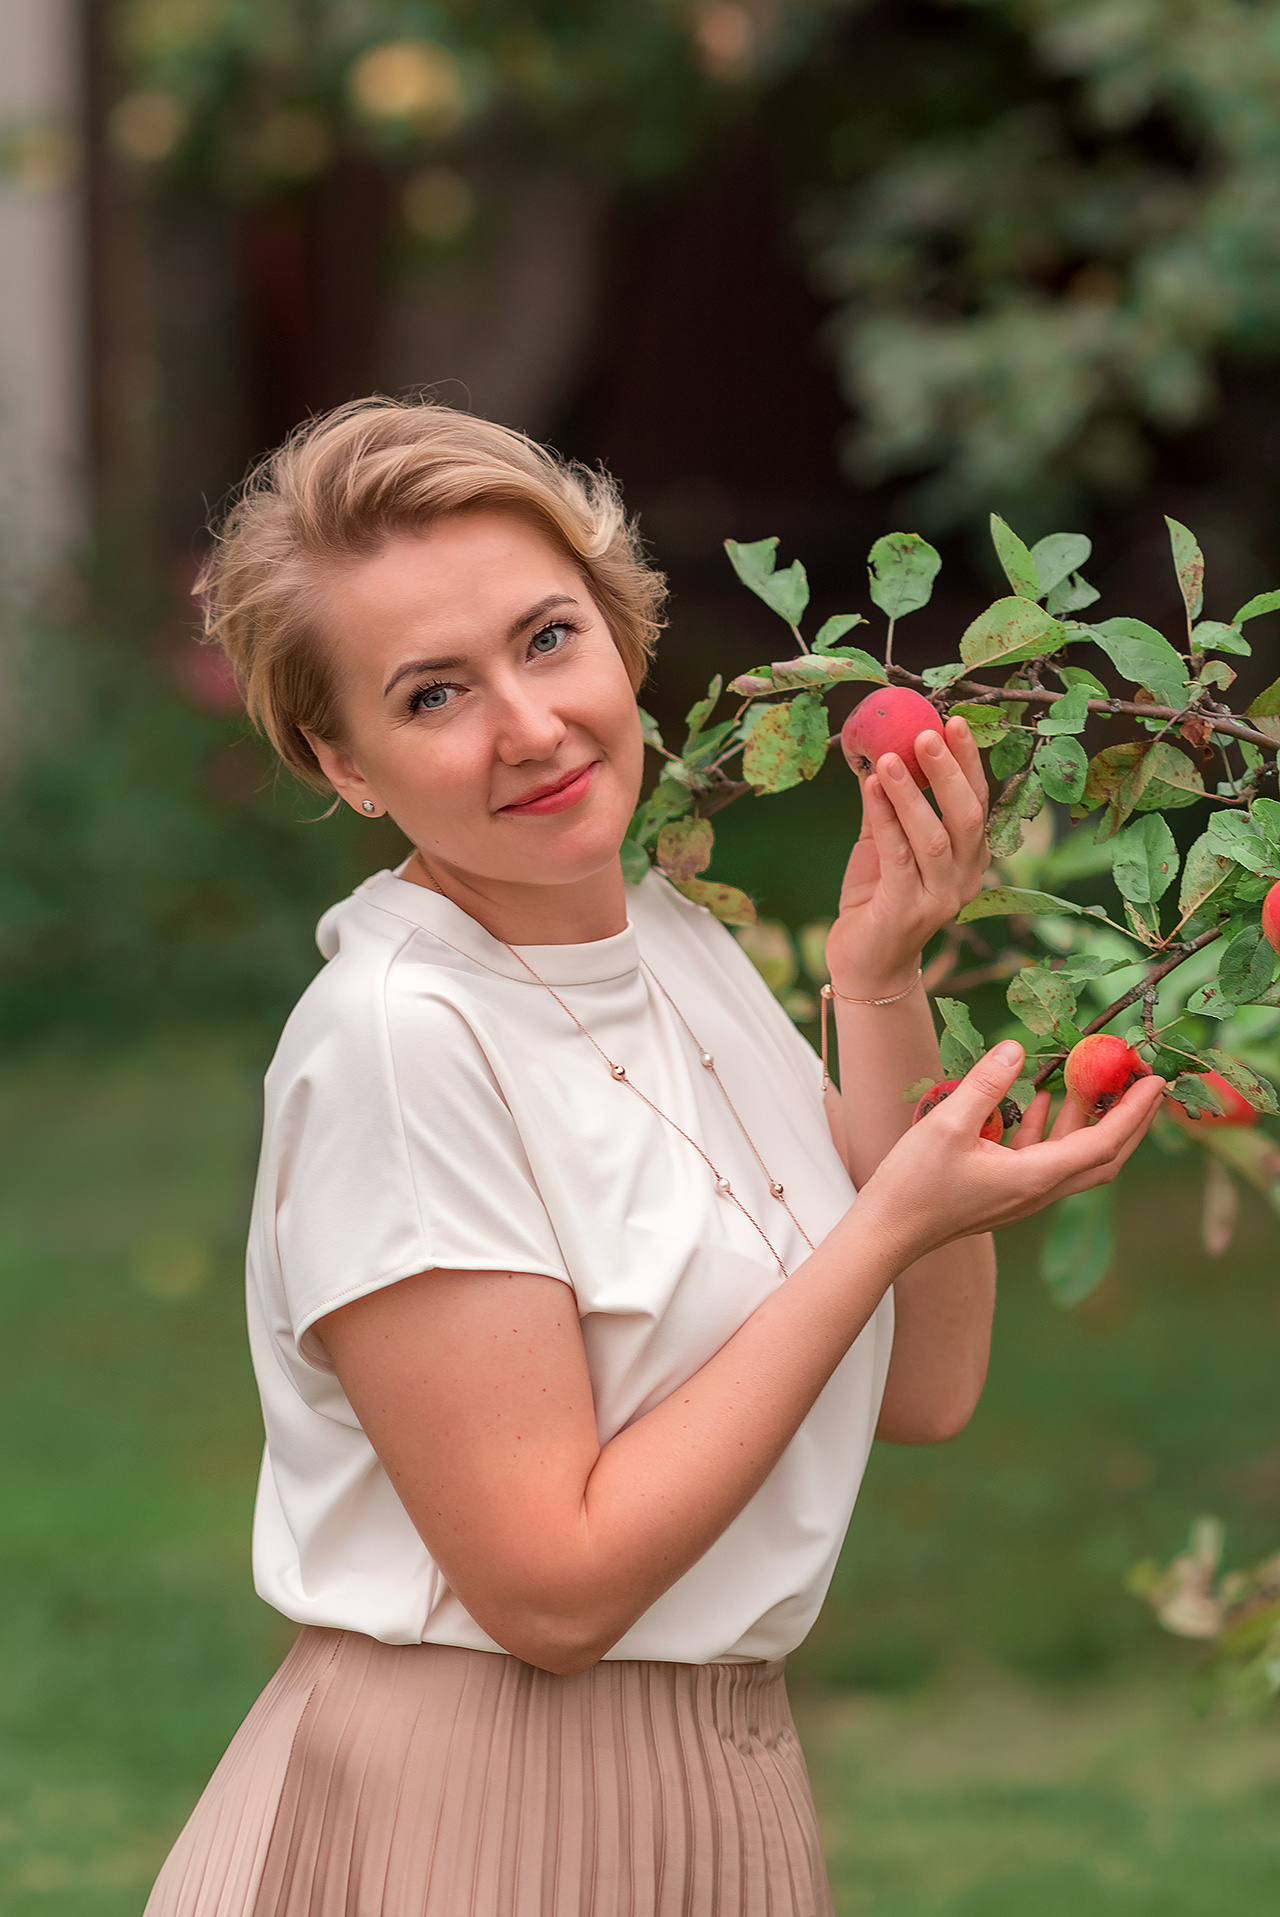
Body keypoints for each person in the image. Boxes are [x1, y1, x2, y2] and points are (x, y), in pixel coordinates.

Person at [144, 397, 1164, 1917]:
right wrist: (887, 1227)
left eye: (547, 639)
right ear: (341, 758)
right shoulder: (399, 1043)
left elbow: (927, 1386)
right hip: (472, 1815)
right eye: (434, 694)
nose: (530, 725)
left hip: (729, 1790)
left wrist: (882, 981)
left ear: (620, 634)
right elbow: (552, 1591)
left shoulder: (677, 943)